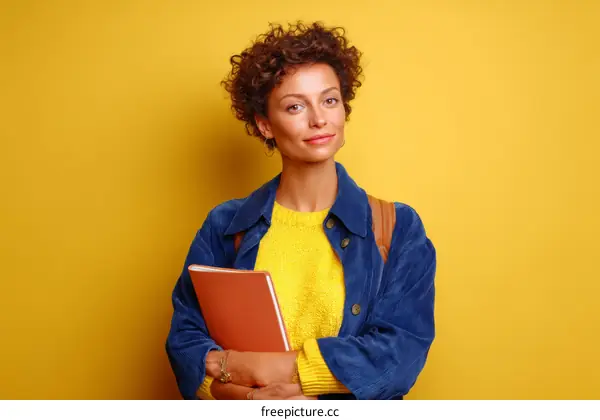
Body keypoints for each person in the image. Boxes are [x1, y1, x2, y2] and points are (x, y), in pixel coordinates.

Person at [165, 21, 436, 400]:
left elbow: (400, 355)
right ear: (264, 125)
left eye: (329, 100)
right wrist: (256, 400)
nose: (318, 119)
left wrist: (270, 370)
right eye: (295, 106)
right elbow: (185, 342)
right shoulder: (225, 225)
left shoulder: (397, 227)